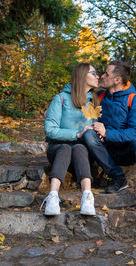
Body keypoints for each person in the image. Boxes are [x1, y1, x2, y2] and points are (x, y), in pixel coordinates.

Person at [81, 60, 136, 212]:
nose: (102, 76)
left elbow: (135, 132)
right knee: (89, 135)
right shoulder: (99, 96)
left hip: (126, 151)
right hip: (105, 151)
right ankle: (118, 177)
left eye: (106, 74)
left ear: (117, 80)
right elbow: (84, 112)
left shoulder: (134, 100)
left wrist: (107, 133)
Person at [42, 63, 100, 216]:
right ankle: (53, 196)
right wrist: (77, 134)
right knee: (66, 148)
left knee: (79, 148)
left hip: (82, 154)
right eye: (93, 73)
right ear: (82, 76)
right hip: (58, 150)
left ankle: (87, 196)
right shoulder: (60, 98)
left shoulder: (93, 102)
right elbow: (50, 130)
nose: (97, 76)